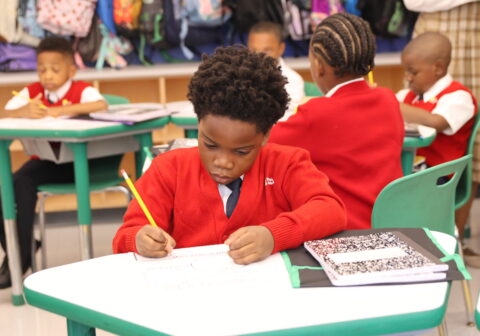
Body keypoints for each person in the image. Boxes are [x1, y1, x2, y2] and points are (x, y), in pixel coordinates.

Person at [112, 45, 346, 264]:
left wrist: (273, 235)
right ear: (199, 123)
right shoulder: (168, 169)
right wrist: (139, 239)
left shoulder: (286, 164)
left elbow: (330, 210)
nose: (223, 162)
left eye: (242, 151)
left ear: (264, 136)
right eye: (210, 145)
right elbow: (125, 236)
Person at [269, 13, 404, 230]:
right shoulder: (388, 99)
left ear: (319, 65)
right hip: (391, 226)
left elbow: (261, 143)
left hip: (341, 231)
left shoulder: (317, 113)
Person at [0, 36, 108, 288]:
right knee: (7, 187)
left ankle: (20, 257)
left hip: (80, 163)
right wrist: (23, 111)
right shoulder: (33, 92)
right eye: (41, 70)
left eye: (55, 70)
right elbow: (7, 111)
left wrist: (58, 110)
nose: (47, 76)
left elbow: (101, 104)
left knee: (21, 182)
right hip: (47, 162)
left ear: (71, 70)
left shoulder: (81, 89)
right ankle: (21, 250)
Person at [403, 0, 480, 267]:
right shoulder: (409, 95)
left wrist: (392, 106)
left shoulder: (458, 96)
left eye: (411, 72)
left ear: (438, 68)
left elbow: (434, 121)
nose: (408, 78)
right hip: (414, 173)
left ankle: (447, 242)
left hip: (439, 177)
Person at [247, 21, 305, 108]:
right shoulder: (238, 76)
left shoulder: (293, 80)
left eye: (267, 50)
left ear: (281, 48)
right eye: (253, 50)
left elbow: (289, 116)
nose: (260, 56)